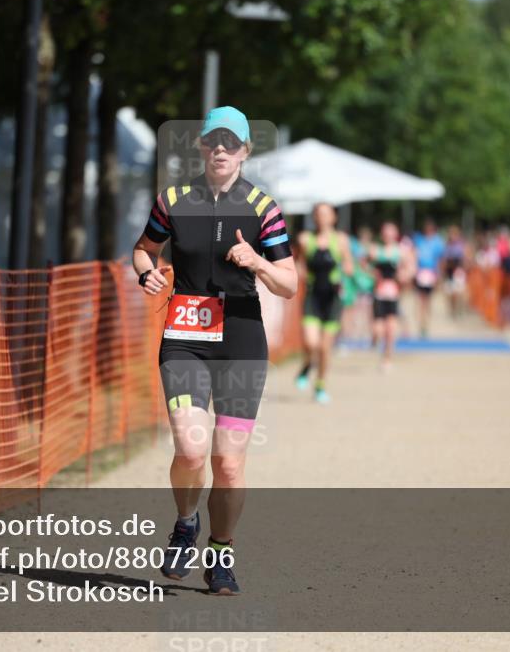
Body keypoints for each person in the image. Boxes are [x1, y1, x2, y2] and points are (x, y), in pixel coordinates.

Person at [132, 106, 297, 595]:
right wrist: (146, 272)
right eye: (213, 141)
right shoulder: (174, 200)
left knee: (228, 462)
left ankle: (221, 551)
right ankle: (186, 522)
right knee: (189, 445)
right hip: (185, 337)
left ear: (246, 151)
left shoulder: (264, 208)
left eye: (231, 141)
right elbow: (144, 248)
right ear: (201, 147)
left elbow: (289, 282)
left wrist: (259, 264)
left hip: (241, 340)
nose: (221, 149)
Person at [295, 202, 353, 404]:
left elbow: (348, 265)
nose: (322, 218)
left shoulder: (341, 240)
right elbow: (300, 264)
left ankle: (320, 385)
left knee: (325, 348)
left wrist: (347, 270)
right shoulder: (305, 239)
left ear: (333, 217)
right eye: (318, 214)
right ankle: (306, 366)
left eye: (326, 214)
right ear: (314, 217)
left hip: (333, 299)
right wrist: (299, 272)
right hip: (313, 297)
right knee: (311, 343)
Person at [368, 221, 415, 372]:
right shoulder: (375, 250)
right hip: (379, 293)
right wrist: (372, 274)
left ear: (396, 234)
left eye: (391, 232)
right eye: (385, 232)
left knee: (391, 329)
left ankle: (387, 358)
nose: (388, 235)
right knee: (378, 330)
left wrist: (404, 276)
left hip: (393, 294)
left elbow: (411, 269)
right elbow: (362, 264)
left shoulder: (401, 251)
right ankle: (375, 341)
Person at [412, 219, 445, 338]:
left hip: (431, 273)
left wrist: (438, 275)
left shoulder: (437, 242)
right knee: (420, 299)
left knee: (427, 300)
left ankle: (426, 324)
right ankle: (421, 324)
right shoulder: (419, 240)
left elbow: (440, 260)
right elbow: (414, 255)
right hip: (420, 272)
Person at [443, 225, 467, 319]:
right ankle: (453, 309)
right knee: (450, 293)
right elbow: (444, 260)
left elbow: (465, 258)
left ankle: (459, 308)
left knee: (459, 292)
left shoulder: (461, 245)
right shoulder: (447, 245)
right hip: (449, 272)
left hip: (458, 271)